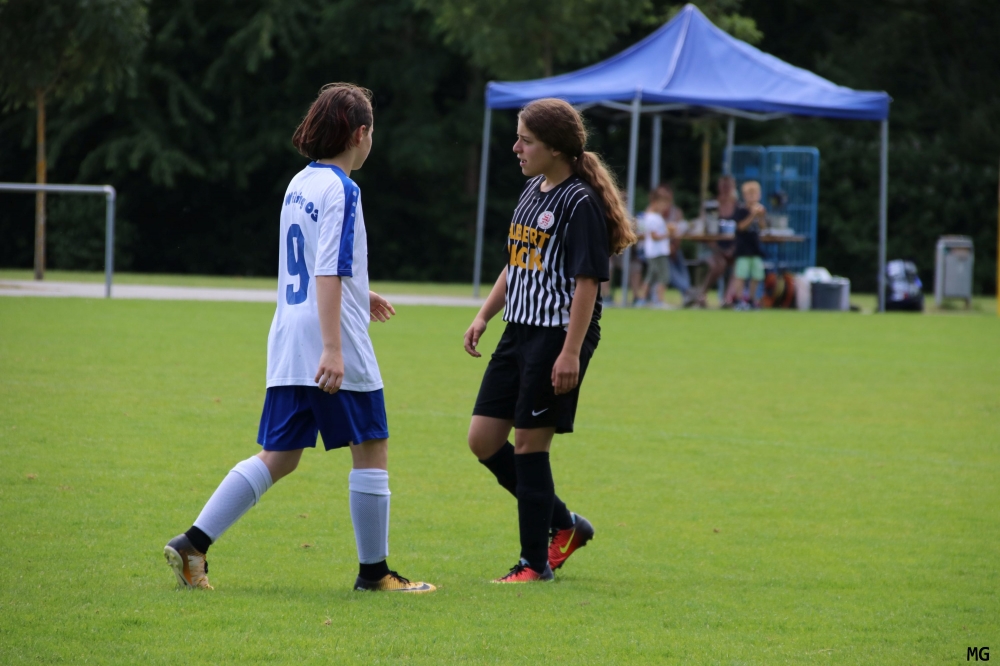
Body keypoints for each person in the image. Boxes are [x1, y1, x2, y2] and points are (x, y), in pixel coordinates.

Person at [163, 83, 435, 594]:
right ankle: (374, 574)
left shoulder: (299, 182)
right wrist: (333, 347)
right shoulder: (344, 190)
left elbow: (314, 263)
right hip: (331, 339)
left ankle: (192, 543)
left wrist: (362, 292)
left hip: (289, 336)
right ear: (360, 133)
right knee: (371, 445)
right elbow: (327, 270)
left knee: (280, 454)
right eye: (372, 131)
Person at [462, 98, 635, 583]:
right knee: (483, 439)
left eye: (526, 140)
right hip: (518, 330)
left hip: (557, 334)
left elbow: (587, 283)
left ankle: (534, 563)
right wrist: (484, 315)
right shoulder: (531, 189)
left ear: (556, 148)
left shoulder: (579, 203)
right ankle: (565, 523)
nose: (516, 148)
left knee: (529, 446)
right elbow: (517, 263)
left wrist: (570, 352)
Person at [695, 175, 738, 307]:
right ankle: (702, 295)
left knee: (740, 263)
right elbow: (703, 229)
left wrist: (733, 249)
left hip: (732, 248)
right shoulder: (710, 205)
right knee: (718, 265)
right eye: (723, 185)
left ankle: (728, 299)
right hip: (710, 247)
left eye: (728, 186)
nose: (725, 189)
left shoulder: (738, 206)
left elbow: (741, 231)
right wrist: (717, 249)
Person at [732, 180, 768, 310]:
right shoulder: (741, 210)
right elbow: (741, 227)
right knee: (741, 276)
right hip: (743, 249)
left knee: (757, 275)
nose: (752, 197)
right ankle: (739, 300)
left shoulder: (761, 210)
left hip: (755, 248)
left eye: (755, 194)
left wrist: (761, 217)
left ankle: (752, 300)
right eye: (749, 194)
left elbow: (763, 228)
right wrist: (752, 215)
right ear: (744, 196)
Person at [635, 185, 673, 306]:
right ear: (656, 202)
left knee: (650, 277)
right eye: (663, 204)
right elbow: (654, 236)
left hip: (654, 252)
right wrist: (668, 233)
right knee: (663, 276)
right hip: (657, 252)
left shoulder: (653, 216)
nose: (665, 207)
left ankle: (641, 300)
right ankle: (659, 301)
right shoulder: (652, 217)